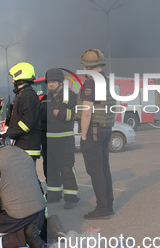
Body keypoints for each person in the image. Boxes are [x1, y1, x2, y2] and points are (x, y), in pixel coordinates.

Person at [78, 49, 116, 220]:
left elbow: (86, 112)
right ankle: (108, 204)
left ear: (87, 65)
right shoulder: (106, 80)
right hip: (106, 129)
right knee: (104, 168)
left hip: (93, 131)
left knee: (95, 171)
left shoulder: (91, 82)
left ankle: (102, 208)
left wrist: (83, 136)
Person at [42, 68, 80, 210]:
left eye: (53, 82)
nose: (51, 85)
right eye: (49, 82)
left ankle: (71, 197)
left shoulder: (70, 96)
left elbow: (79, 113)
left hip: (65, 139)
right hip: (49, 140)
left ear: (60, 82)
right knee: (51, 169)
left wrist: (63, 113)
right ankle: (54, 195)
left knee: (66, 168)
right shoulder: (47, 97)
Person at [6, 62, 41, 161]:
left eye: (14, 78)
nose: (12, 81)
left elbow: (28, 122)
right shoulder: (22, 94)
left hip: (27, 145)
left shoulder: (28, 95)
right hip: (23, 144)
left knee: (27, 176)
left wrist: (9, 134)